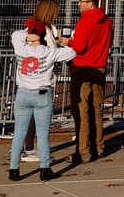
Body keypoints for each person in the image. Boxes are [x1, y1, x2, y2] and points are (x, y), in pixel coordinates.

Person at [8, 13, 75, 181]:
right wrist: (63, 41)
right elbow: (72, 53)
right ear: (44, 35)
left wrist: (28, 34)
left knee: (19, 133)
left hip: (23, 93)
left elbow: (15, 35)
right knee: (43, 134)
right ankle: (45, 169)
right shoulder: (50, 52)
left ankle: (13, 169)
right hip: (42, 94)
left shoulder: (20, 48)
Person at [59, 0, 112, 165]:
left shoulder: (85, 20)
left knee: (81, 110)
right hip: (99, 67)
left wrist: (68, 42)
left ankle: (83, 151)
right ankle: (99, 145)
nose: (78, 4)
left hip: (82, 67)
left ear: (90, 3)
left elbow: (80, 47)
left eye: (81, 1)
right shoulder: (107, 21)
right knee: (96, 108)